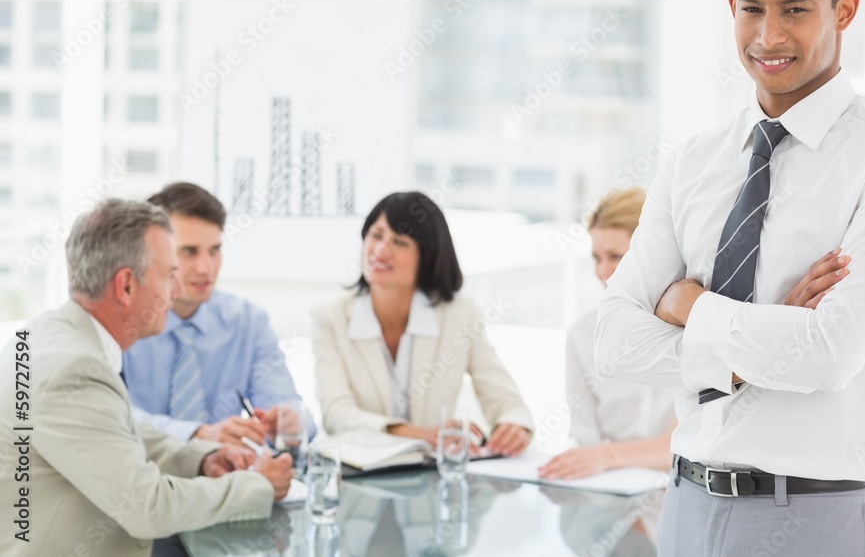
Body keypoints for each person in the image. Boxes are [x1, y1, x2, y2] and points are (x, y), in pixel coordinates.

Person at [596, 0, 865, 555]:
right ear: (732, 6)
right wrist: (750, 349)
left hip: (815, 516)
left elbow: (829, 354)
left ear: (844, 10)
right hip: (684, 510)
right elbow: (614, 341)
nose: (769, 36)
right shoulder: (692, 161)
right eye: (752, 9)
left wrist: (691, 307)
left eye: (795, 10)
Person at [0, 199, 293, 557]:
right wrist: (256, 485)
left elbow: (116, 433)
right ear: (125, 285)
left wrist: (200, 459)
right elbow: (147, 507)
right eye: (169, 274)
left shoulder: (56, 334)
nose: (179, 291)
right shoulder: (71, 370)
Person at [313, 191, 533, 456]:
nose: (381, 250)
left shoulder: (460, 315)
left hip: (432, 479)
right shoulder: (331, 317)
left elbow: (504, 398)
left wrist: (513, 425)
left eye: (400, 242)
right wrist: (420, 435)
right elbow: (336, 414)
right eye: (376, 235)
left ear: (427, 256)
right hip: (360, 475)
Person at [124, 182, 315, 447]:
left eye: (214, 250)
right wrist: (196, 434)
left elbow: (290, 407)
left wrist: (289, 421)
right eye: (189, 251)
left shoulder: (248, 322)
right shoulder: (122, 320)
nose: (206, 268)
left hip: (225, 478)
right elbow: (108, 417)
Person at [540, 188, 677, 482]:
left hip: (677, 493)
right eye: (596, 258)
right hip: (608, 495)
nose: (603, 271)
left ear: (650, 253)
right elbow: (585, 441)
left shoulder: (688, 326)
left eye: (615, 256)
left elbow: (681, 446)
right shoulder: (582, 335)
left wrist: (607, 457)